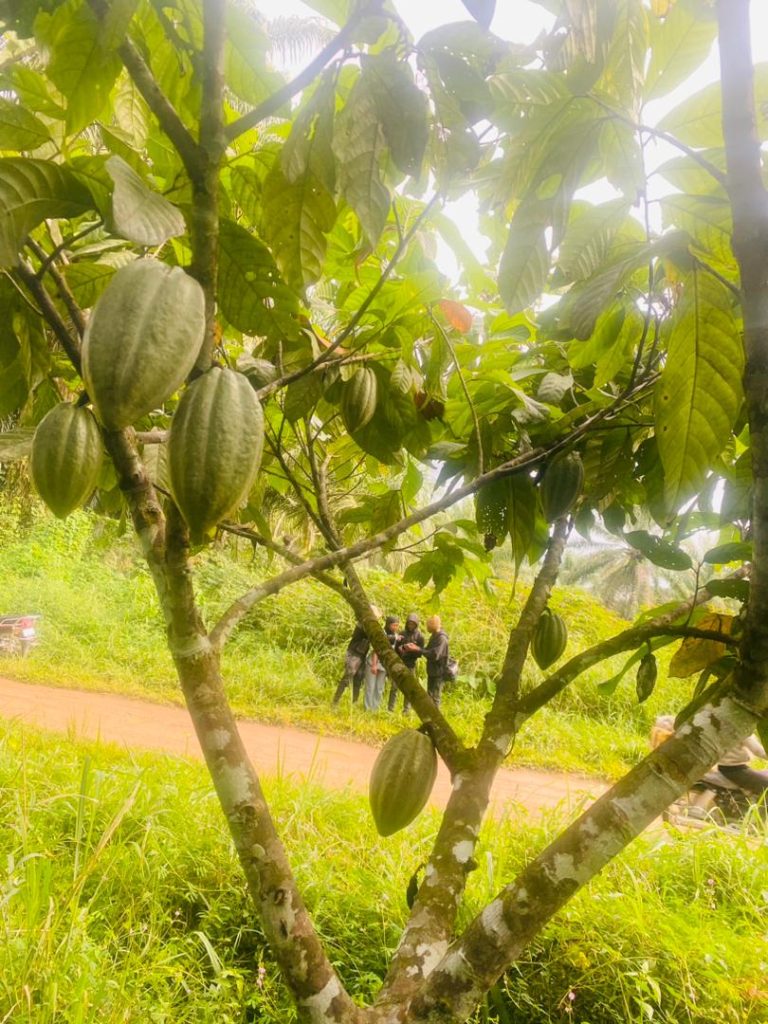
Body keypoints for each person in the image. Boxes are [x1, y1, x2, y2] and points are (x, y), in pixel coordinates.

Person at [332, 606, 380, 706]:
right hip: (353, 653)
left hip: (362, 655)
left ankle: (354, 703)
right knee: (348, 676)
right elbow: (369, 632)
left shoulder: (369, 625)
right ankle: (335, 702)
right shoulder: (362, 624)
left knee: (358, 678)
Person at [404, 614, 450, 708]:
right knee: (430, 696)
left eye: (428, 625)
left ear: (433, 625)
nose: (427, 627)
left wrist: (418, 649)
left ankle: (435, 716)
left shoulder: (441, 638)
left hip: (439, 672)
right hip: (432, 671)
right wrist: (416, 648)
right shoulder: (434, 636)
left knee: (435, 697)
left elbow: (435, 654)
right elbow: (427, 650)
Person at [389, 612, 424, 712]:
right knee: (394, 687)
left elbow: (420, 653)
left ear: (416, 624)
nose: (410, 626)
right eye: (409, 623)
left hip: (410, 665)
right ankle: (390, 709)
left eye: (413, 624)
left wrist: (412, 649)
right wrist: (401, 648)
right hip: (399, 663)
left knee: (408, 689)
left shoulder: (419, 636)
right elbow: (395, 649)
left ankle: (406, 710)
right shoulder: (402, 633)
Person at [364, 614, 400, 711]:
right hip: (373, 662)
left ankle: (375, 709)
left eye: (397, 625)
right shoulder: (381, 633)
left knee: (379, 688)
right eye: (394, 625)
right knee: (370, 687)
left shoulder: (396, 636)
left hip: (384, 665)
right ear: (388, 624)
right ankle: (367, 709)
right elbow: (377, 650)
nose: (395, 627)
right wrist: (374, 665)